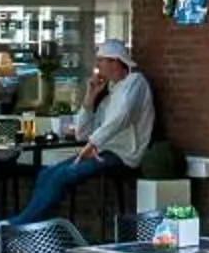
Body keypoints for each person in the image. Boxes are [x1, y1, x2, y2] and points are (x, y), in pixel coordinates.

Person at [18, 40, 154, 225]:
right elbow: (82, 134)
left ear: (115, 61)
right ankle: (33, 229)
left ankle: (15, 226)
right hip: (101, 150)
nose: (97, 66)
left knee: (62, 175)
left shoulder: (135, 82)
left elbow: (122, 117)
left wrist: (93, 143)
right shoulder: (110, 94)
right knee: (47, 173)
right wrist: (90, 96)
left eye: (101, 60)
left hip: (123, 155)